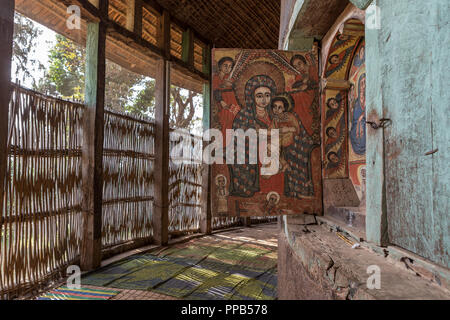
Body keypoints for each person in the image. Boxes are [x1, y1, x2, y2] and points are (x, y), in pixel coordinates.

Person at [350, 73, 366, 155]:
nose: (363, 86)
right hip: (356, 131)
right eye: (361, 83)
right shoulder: (356, 103)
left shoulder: (370, 100)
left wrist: (362, 116)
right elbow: (352, 120)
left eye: (365, 83)